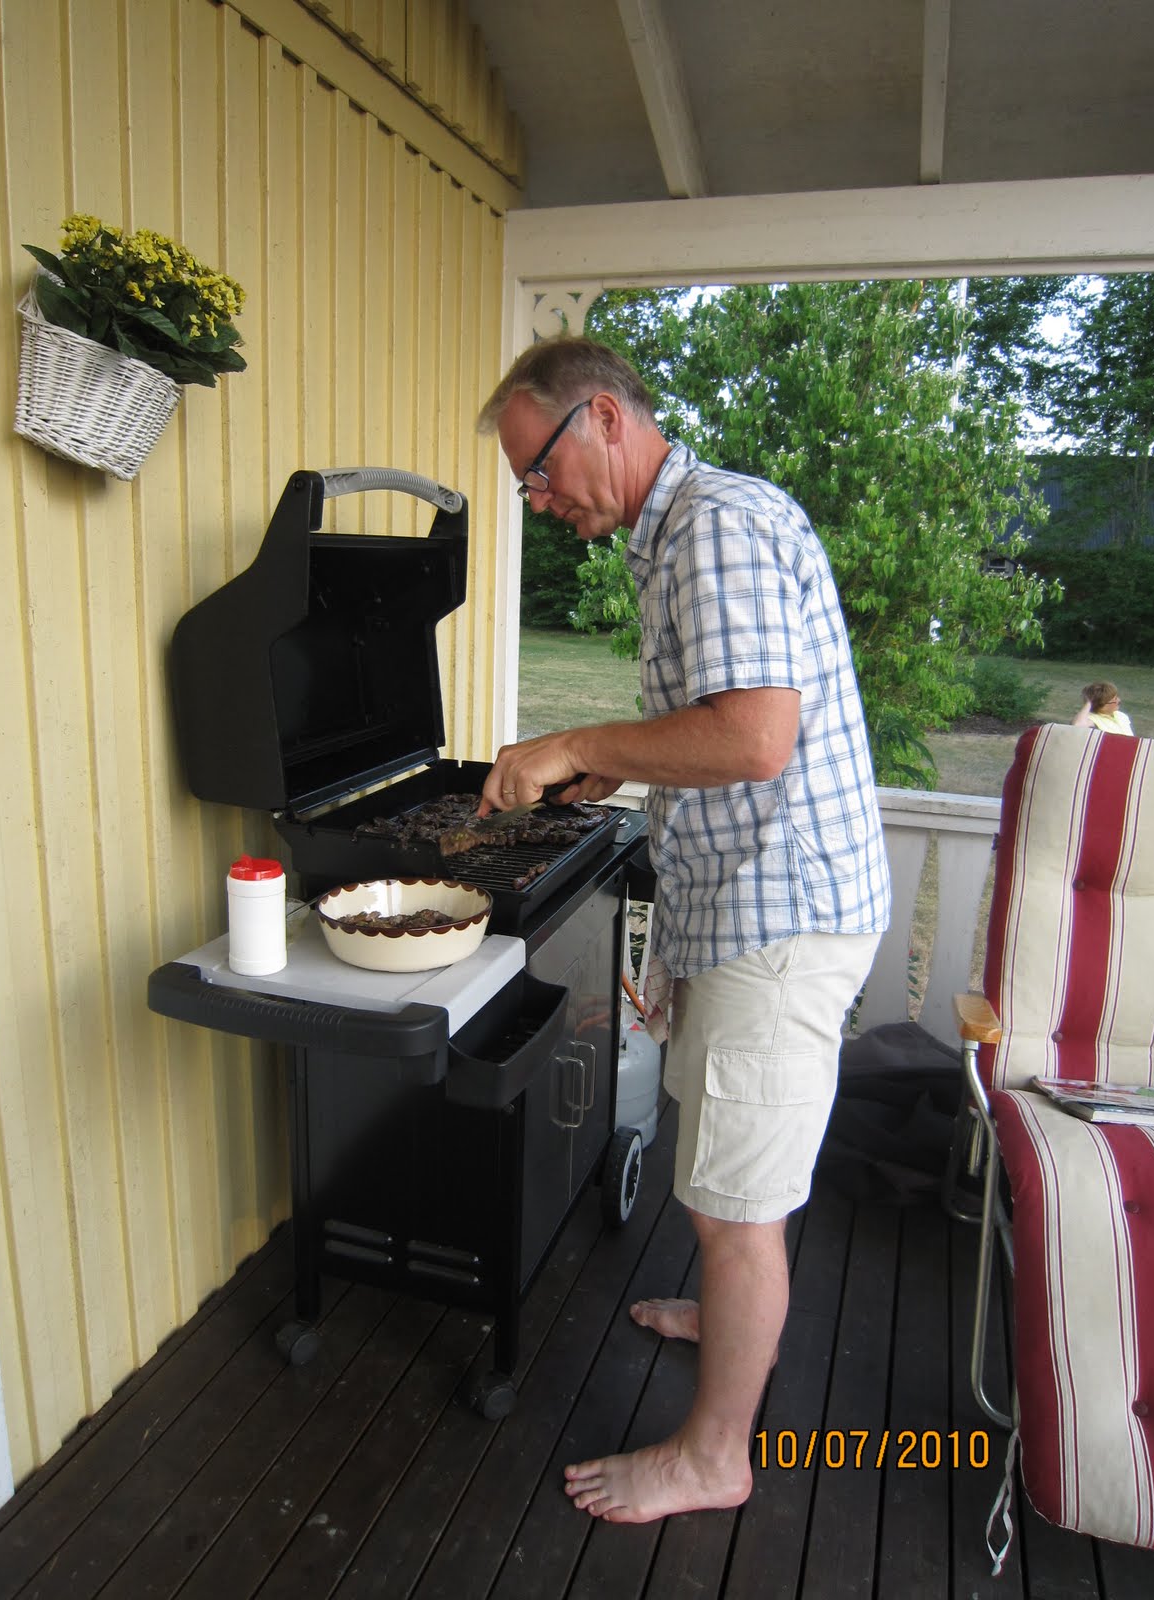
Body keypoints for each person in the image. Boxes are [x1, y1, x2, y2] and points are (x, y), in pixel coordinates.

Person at [476, 335, 891, 1525]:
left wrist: (578, 742)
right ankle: (731, 1310)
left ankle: (716, 1456)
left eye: (539, 470)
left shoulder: (716, 527)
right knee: (733, 1182)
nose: (537, 499)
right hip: (750, 905)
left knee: (736, 1206)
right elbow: (718, 734)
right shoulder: (678, 534)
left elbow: (757, 737)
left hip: (782, 917)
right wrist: (626, 771)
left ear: (604, 417)